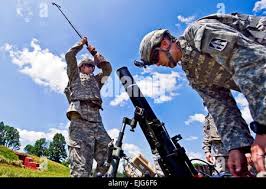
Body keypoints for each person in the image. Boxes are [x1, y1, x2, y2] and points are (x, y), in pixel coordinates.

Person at [138, 13, 266, 176]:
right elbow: (220, 108)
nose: (157, 64)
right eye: (152, 63)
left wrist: (262, 129)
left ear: (164, 43)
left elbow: (252, 62)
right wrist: (237, 147)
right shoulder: (194, 74)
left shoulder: (199, 32)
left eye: (154, 58)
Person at [65, 37, 112, 177]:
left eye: (92, 66)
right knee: (81, 165)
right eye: (87, 65)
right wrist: (81, 44)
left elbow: (108, 69)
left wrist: (94, 52)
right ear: (80, 67)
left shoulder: (97, 81)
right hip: (80, 119)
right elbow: (69, 55)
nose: (91, 67)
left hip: (97, 121)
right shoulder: (74, 76)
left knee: (109, 152)